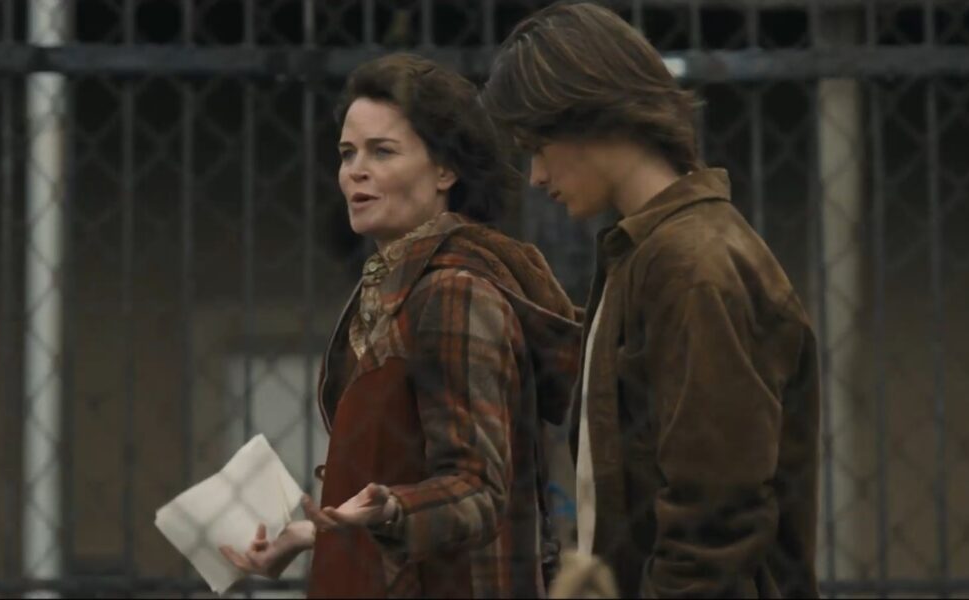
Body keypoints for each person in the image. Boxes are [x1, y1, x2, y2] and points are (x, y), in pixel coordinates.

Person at [481, 3, 822, 598]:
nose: (535, 175)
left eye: (538, 144)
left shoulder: (692, 265)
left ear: (587, 114)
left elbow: (714, 523)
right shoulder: (646, 253)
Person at [220, 52, 583, 598]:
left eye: (382, 151)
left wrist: (390, 508)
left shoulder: (454, 291)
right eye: (347, 153)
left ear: (445, 170)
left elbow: (479, 490)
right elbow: (402, 472)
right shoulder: (393, 289)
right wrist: (310, 533)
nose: (355, 171)